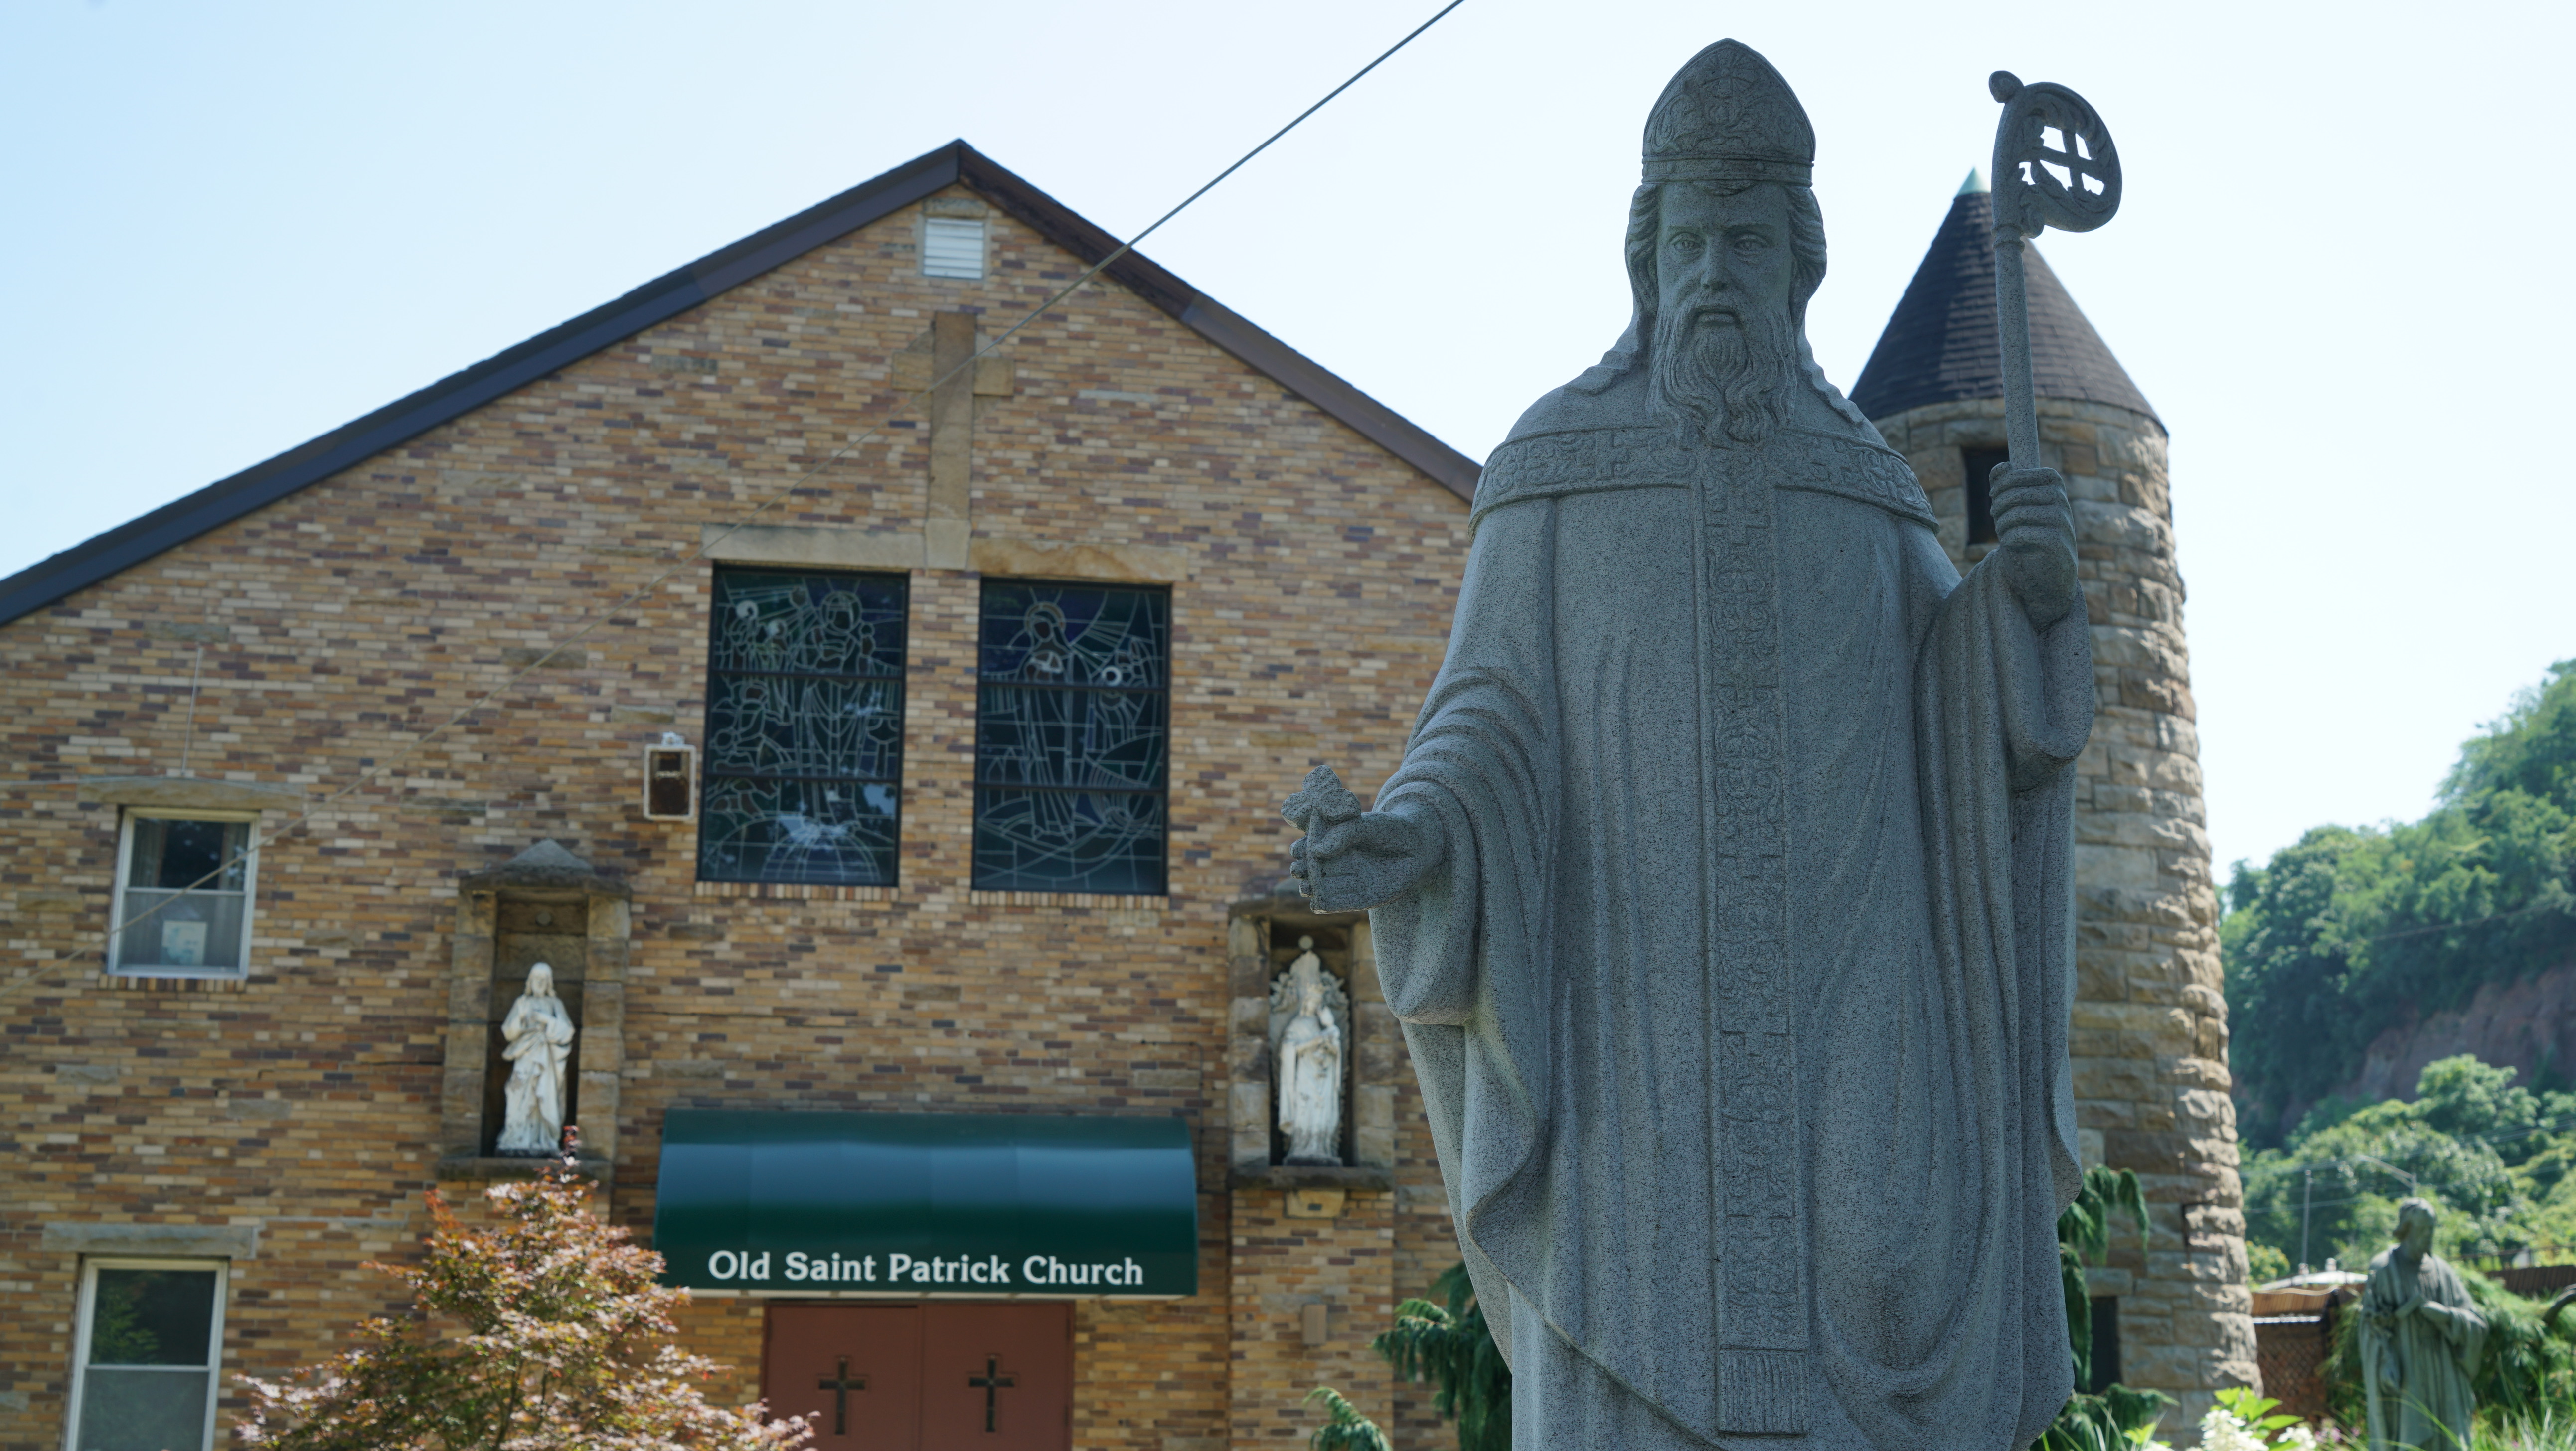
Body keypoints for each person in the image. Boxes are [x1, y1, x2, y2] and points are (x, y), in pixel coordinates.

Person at [1284, 38, 2093, 1451]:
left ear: (1802, 268)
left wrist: (2020, 608)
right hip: (1630, 1035)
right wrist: (1409, 834)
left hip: (1858, 1018)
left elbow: (1957, 724)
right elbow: (1486, 720)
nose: (1717, 272)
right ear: (1646, 263)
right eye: (1693, 241)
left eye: (1749, 242)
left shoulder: (1867, 487)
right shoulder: (1552, 469)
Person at [2359, 1199, 2486, 1451]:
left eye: (2432, 1229)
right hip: (2407, 1373)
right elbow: (2371, 1327)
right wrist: (2385, 1363)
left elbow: (2477, 1321)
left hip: (2444, 1373)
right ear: (2406, 1230)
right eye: (2423, 1230)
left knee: (2449, 1440)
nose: (2429, 1235)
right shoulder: (2384, 1269)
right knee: (2409, 1440)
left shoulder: (2443, 1271)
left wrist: (2448, 1317)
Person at [496, 962, 576, 1155]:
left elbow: (568, 1031)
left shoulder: (555, 1004)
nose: (539, 982)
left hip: (546, 1060)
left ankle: (545, 1140)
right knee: (519, 1095)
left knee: (544, 1096)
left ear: (549, 982)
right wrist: (521, 1018)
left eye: (543, 979)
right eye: (536, 978)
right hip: (525, 1057)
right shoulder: (522, 1003)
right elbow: (508, 1032)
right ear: (530, 981)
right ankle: (517, 1137)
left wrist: (547, 1020)